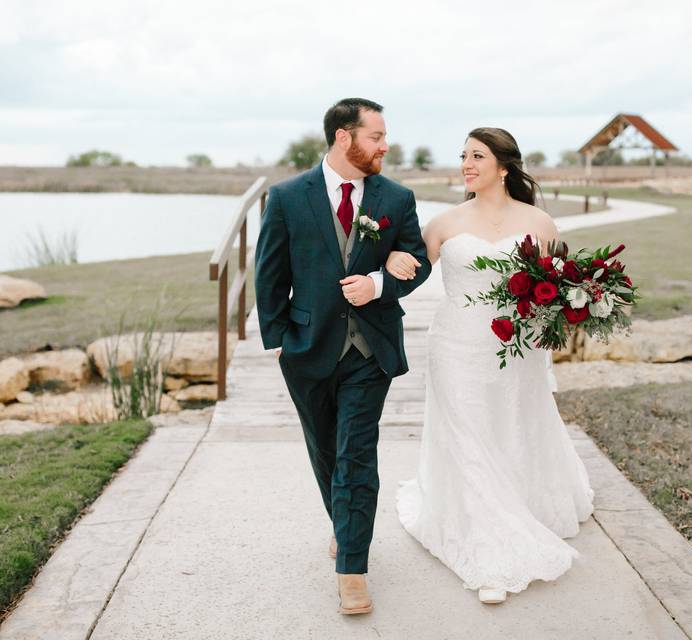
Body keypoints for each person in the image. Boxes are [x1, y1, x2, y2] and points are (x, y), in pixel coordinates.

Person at [388, 127, 595, 605]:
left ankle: (519, 504)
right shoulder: (442, 224)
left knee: (510, 426)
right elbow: (409, 276)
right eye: (463, 155)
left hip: (516, 350)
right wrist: (393, 261)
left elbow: (554, 289)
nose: (466, 164)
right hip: (456, 347)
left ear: (503, 166)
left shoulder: (539, 222)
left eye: (477, 156)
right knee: (466, 437)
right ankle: (488, 549)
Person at [254, 98, 431, 615]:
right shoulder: (287, 197)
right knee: (325, 448)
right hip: (308, 347)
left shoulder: (396, 197)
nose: (385, 145)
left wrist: (379, 282)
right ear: (343, 138)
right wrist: (282, 340)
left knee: (356, 453)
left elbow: (416, 262)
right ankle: (344, 521)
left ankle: (352, 568)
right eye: (375, 136)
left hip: (370, 348)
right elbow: (269, 274)